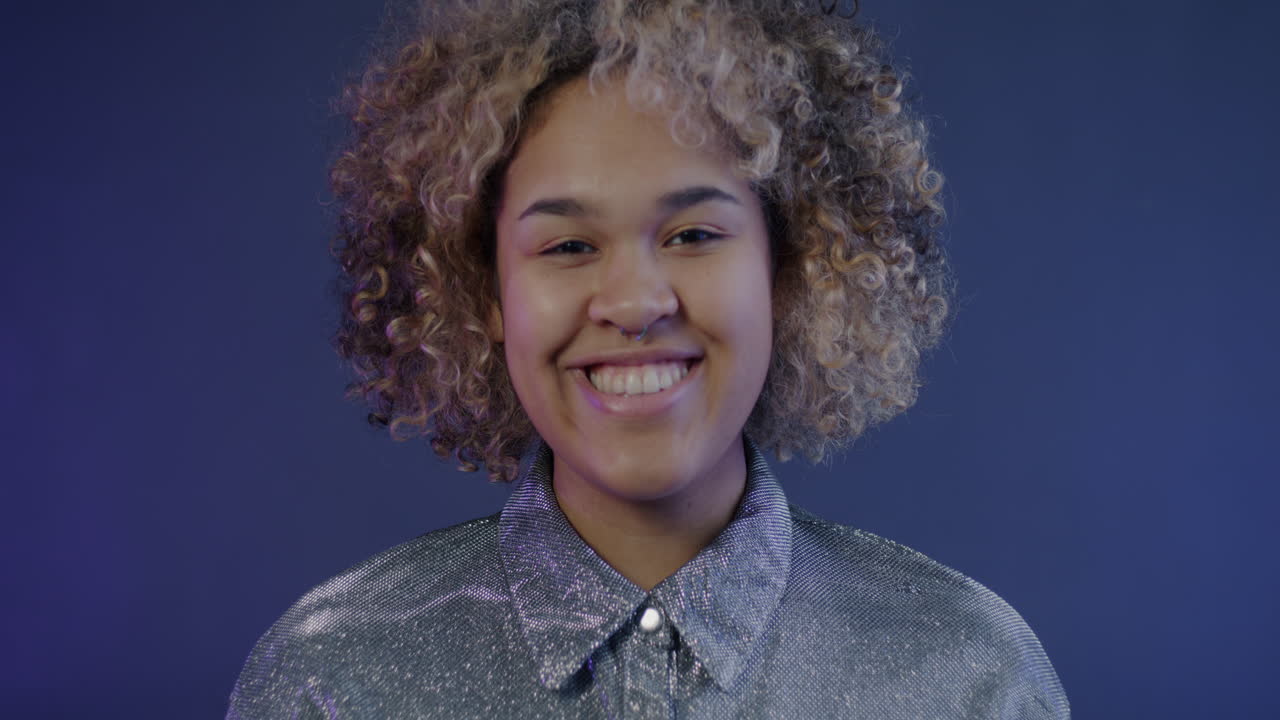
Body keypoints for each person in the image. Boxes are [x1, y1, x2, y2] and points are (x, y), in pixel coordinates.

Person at [227, 0, 1069, 717]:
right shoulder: (333, 684)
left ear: (788, 270)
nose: (634, 303)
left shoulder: (968, 679)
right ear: (483, 291)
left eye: (694, 234)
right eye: (565, 245)